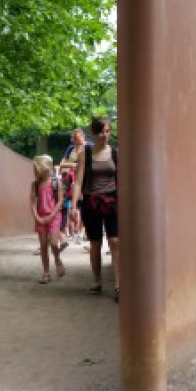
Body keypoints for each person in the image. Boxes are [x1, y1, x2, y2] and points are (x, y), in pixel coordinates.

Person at [70, 117, 119, 301]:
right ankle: (97, 281)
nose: (104, 135)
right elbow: (78, 181)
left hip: (112, 201)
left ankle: (118, 285)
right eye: (100, 132)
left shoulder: (115, 153)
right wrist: (73, 207)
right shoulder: (86, 153)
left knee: (115, 241)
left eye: (107, 131)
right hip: (91, 202)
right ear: (94, 133)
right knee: (96, 243)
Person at [30, 155, 65, 284]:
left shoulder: (56, 182)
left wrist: (51, 216)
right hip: (41, 218)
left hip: (54, 217)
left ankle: (57, 259)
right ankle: (46, 272)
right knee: (43, 246)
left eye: (36, 169)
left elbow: (60, 201)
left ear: (44, 169)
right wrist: (37, 217)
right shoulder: (35, 185)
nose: (34, 172)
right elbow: (32, 203)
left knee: (54, 243)